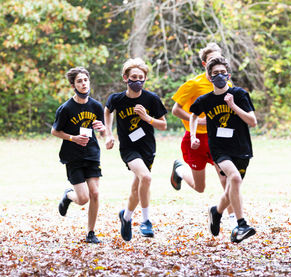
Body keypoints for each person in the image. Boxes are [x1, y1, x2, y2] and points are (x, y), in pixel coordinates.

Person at [189, 56, 257, 243]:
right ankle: (241, 224)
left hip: (241, 148)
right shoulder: (205, 99)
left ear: (228, 74)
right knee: (233, 178)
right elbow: (193, 116)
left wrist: (233, 105)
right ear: (210, 77)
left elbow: (253, 121)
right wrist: (194, 136)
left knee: (231, 188)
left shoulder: (239, 95)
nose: (219, 76)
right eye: (215, 73)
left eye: (222, 73)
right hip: (219, 149)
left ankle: (216, 211)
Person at [170, 42, 235, 223]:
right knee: (200, 187)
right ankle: (180, 170)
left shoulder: (226, 82)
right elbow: (175, 110)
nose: (217, 62)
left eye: (219, 58)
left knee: (226, 177)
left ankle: (231, 217)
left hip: (218, 138)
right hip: (195, 139)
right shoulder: (194, 84)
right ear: (205, 64)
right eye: (212, 60)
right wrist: (197, 120)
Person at [104, 58, 167, 241]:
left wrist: (147, 118)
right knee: (146, 177)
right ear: (126, 78)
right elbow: (107, 111)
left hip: (147, 148)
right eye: (133, 77)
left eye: (141, 77)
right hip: (129, 148)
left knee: (137, 187)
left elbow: (163, 125)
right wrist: (109, 134)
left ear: (145, 79)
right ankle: (146, 221)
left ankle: (126, 217)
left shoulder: (151, 99)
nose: (137, 81)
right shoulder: (117, 99)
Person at [51, 67, 106, 244]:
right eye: (79, 81)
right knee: (83, 199)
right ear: (73, 85)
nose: (83, 83)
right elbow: (55, 131)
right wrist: (73, 138)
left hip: (91, 154)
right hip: (73, 156)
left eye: (85, 80)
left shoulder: (96, 106)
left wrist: (104, 130)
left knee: (95, 193)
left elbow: (103, 131)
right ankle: (68, 195)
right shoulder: (66, 108)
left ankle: (91, 232)